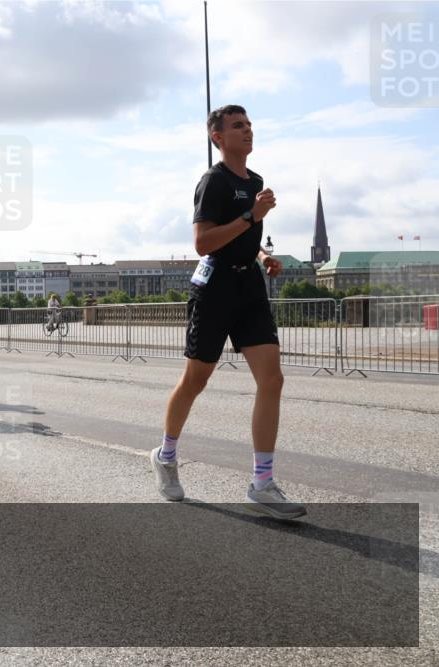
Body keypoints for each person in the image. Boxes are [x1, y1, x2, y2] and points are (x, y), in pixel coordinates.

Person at [151, 104, 302, 520]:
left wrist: (263, 253)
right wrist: (252, 214)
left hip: (249, 285)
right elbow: (204, 242)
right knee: (195, 380)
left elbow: (242, 236)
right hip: (215, 288)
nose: (248, 131)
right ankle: (165, 456)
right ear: (217, 137)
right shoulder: (213, 182)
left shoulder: (255, 180)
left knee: (272, 378)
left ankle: (262, 483)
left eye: (250, 124)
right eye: (238, 126)